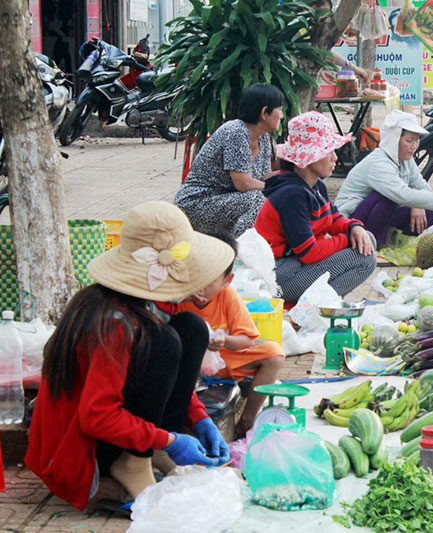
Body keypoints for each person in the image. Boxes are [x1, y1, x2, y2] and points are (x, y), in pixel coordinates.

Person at [25, 201, 234, 510]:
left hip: (113, 432)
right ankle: (134, 462)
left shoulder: (142, 307)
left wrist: (199, 418)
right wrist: (170, 441)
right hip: (77, 452)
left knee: (191, 328)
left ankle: (151, 453)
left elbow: (164, 379)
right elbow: (97, 417)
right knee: (166, 341)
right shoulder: (113, 324)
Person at [255, 111, 377, 302]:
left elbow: (333, 217)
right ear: (308, 159)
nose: (334, 158)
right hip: (279, 274)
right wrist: (346, 239)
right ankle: (321, 304)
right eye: (328, 152)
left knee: (366, 240)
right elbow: (309, 252)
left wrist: (353, 227)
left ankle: (322, 302)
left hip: (295, 263)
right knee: (364, 258)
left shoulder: (315, 185)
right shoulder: (292, 195)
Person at [176, 230, 285, 436]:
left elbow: (246, 339)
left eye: (209, 281)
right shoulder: (178, 298)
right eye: (195, 277)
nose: (200, 287)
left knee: (274, 354)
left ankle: (247, 421)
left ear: (227, 280)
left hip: (224, 359)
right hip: (189, 364)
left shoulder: (228, 296)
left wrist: (224, 340)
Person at [335, 110, 433, 244]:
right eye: (409, 140)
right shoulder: (378, 162)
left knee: (432, 210)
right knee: (387, 197)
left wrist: (417, 204)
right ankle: (374, 243)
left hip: (379, 214)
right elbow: (401, 194)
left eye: (417, 140)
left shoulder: (406, 160)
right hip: (350, 221)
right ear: (394, 140)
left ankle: (394, 239)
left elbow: (422, 187)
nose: (414, 146)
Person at [174, 84, 284, 237]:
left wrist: (291, 177)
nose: (282, 115)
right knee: (258, 199)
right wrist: (280, 189)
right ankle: (242, 248)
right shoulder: (236, 132)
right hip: (197, 202)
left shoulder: (263, 137)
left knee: (272, 195)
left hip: (227, 200)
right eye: (280, 110)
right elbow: (243, 184)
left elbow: (262, 178)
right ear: (264, 113)